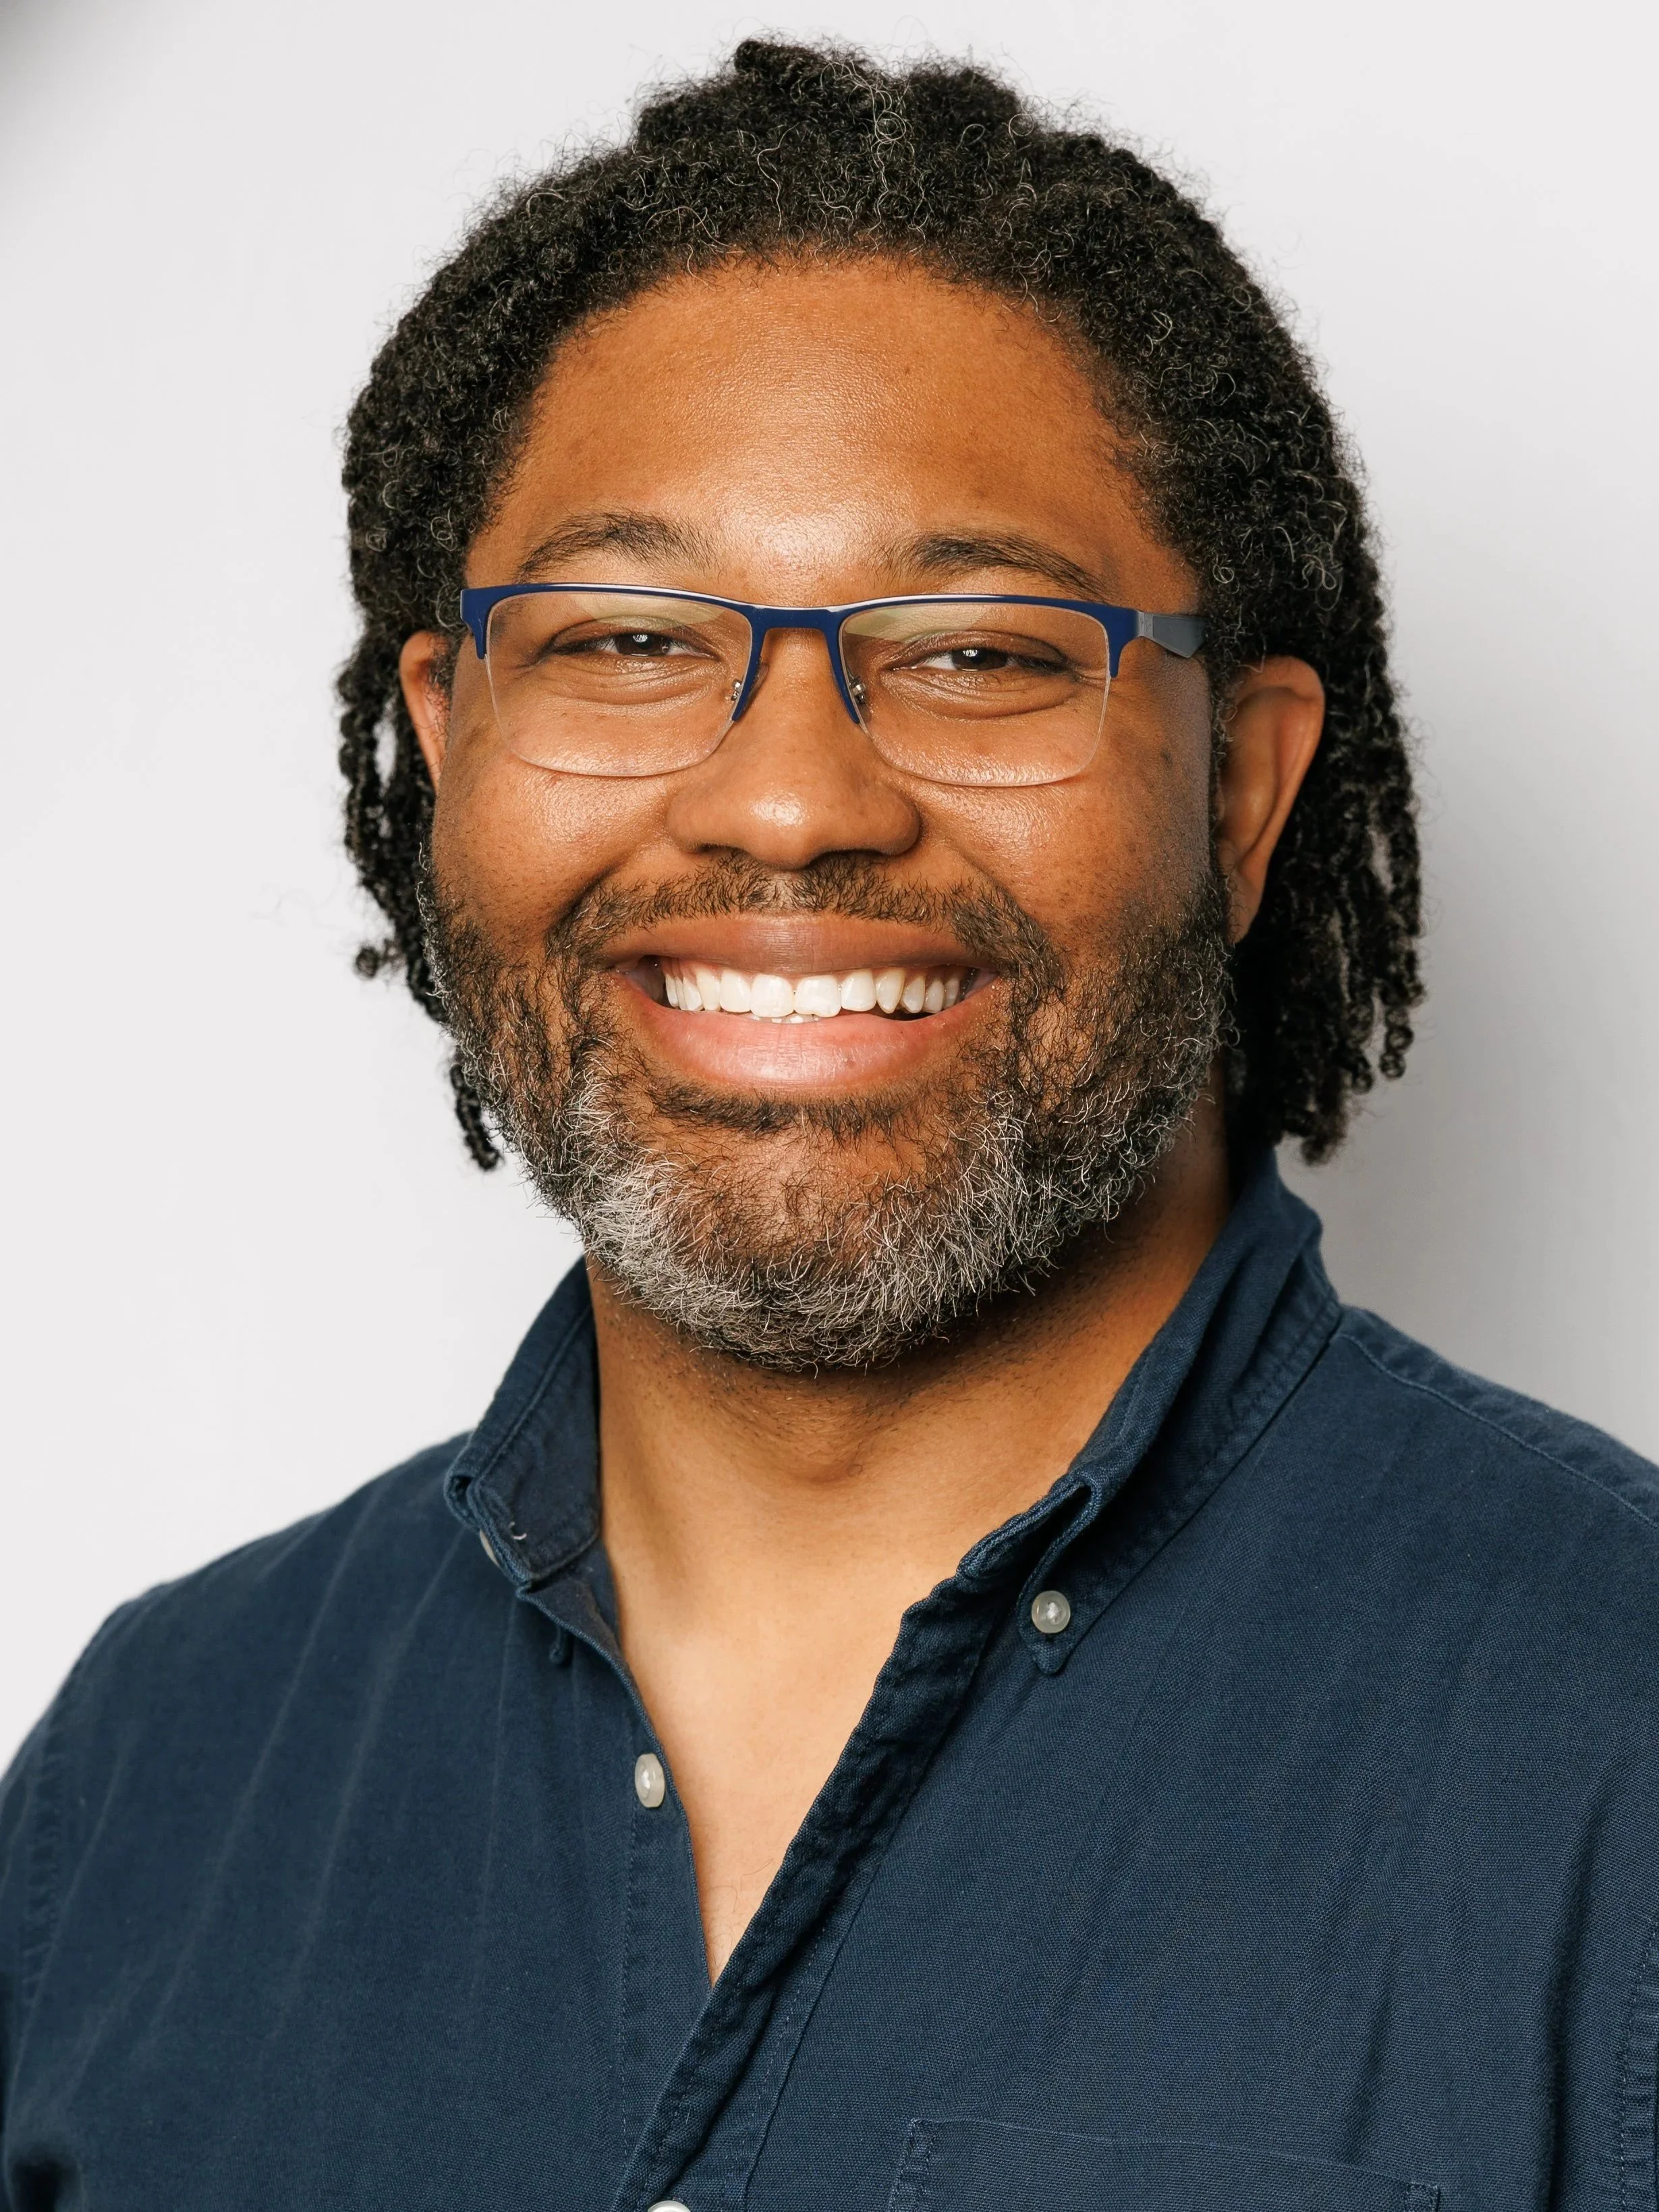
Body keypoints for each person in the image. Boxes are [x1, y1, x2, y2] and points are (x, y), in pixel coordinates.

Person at [3, 37, 1656, 2212]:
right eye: (622, 634)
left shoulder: (1616, 1735)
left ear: (1242, 797)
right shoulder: (153, 1767)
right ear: (444, 745)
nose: (788, 797)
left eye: (979, 651)